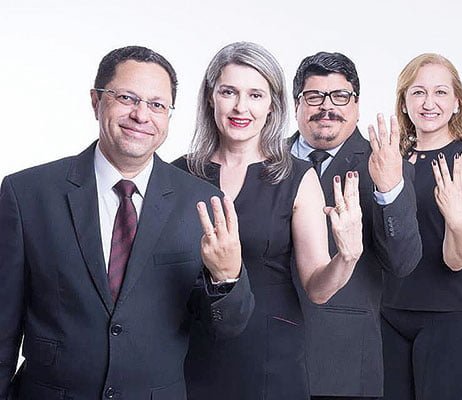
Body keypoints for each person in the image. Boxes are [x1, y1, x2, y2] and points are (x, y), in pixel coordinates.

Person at [0, 45, 255, 400]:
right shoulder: (27, 193)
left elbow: (226, 329)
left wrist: (226, 277)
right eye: (126, 98)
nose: (141, 115)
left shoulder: (200, 202)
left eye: (157, 105)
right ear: (96, 101)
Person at [174, 42, 363, 400]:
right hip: (190, 350)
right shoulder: (178, 174)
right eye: (229, 92)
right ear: (211, 97)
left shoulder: (297, 177)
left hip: (270, 355)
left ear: (272, 105)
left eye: (255, 95)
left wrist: (347, 256)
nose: (241, 107)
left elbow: (318, 289)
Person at [289, 51, 422, 400]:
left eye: (340, 96)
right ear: (296, 104)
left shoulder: (385, 164)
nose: (326, 106)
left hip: (342, 360)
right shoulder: (265, 158)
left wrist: (389, 189)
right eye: (314, 96)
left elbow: (402, 263)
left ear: (357, 105)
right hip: (264, 353)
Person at [381, 53, 462, 400]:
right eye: (418, 92)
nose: (429, 103)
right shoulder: (392, 159)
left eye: (440, 92)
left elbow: (457, 260)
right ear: (404, 102)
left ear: (457, 102)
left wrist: (457, 223)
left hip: (450, 312)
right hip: (390, 310)